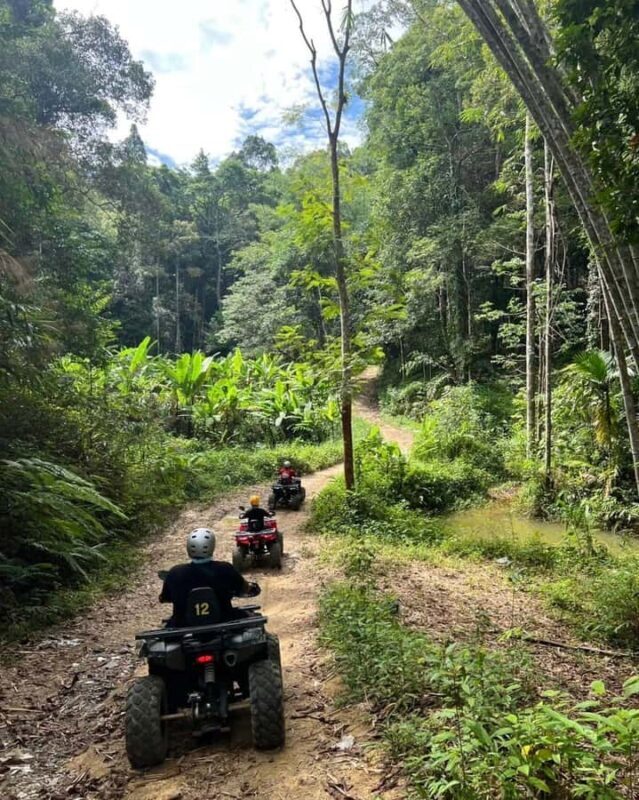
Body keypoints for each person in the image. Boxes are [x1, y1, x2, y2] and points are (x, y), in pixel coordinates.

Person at [160, 528, 260, 627]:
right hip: (224, 619)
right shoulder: (225, 568)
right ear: (212, 546)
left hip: (183, 624)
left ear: (188, 547)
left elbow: (165, 598)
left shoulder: (175, 572)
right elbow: (243, 589)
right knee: (254, 619)